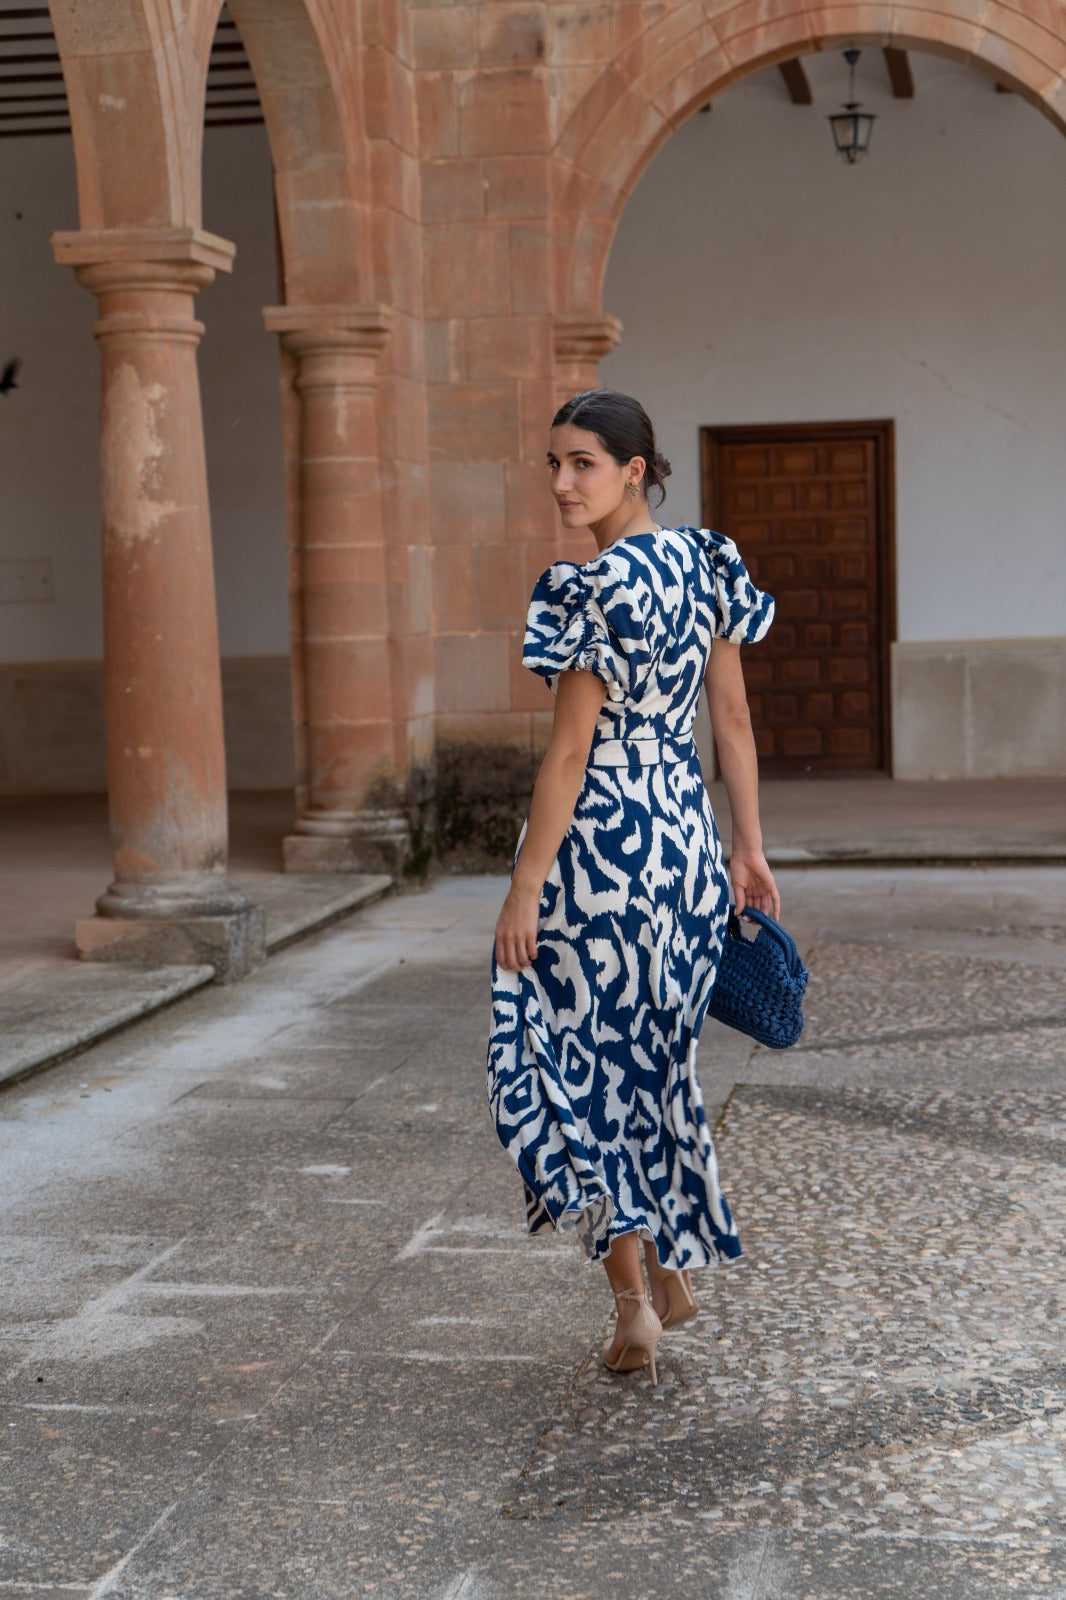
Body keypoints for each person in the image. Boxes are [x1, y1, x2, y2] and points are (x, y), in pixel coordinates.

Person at [486, 390, 780, 1387]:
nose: (562, 484)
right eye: (554, 464)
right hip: (682, 843)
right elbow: (731, 722)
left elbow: (569, 756)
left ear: (634, 469)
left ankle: (633, 1307)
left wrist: (524, 887)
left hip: (597, 851)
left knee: (575, 1070)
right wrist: (746, 848)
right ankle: (670, 1268)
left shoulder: (587, 589)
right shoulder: (708, 563)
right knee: (655, 1066)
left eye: (582, 463)